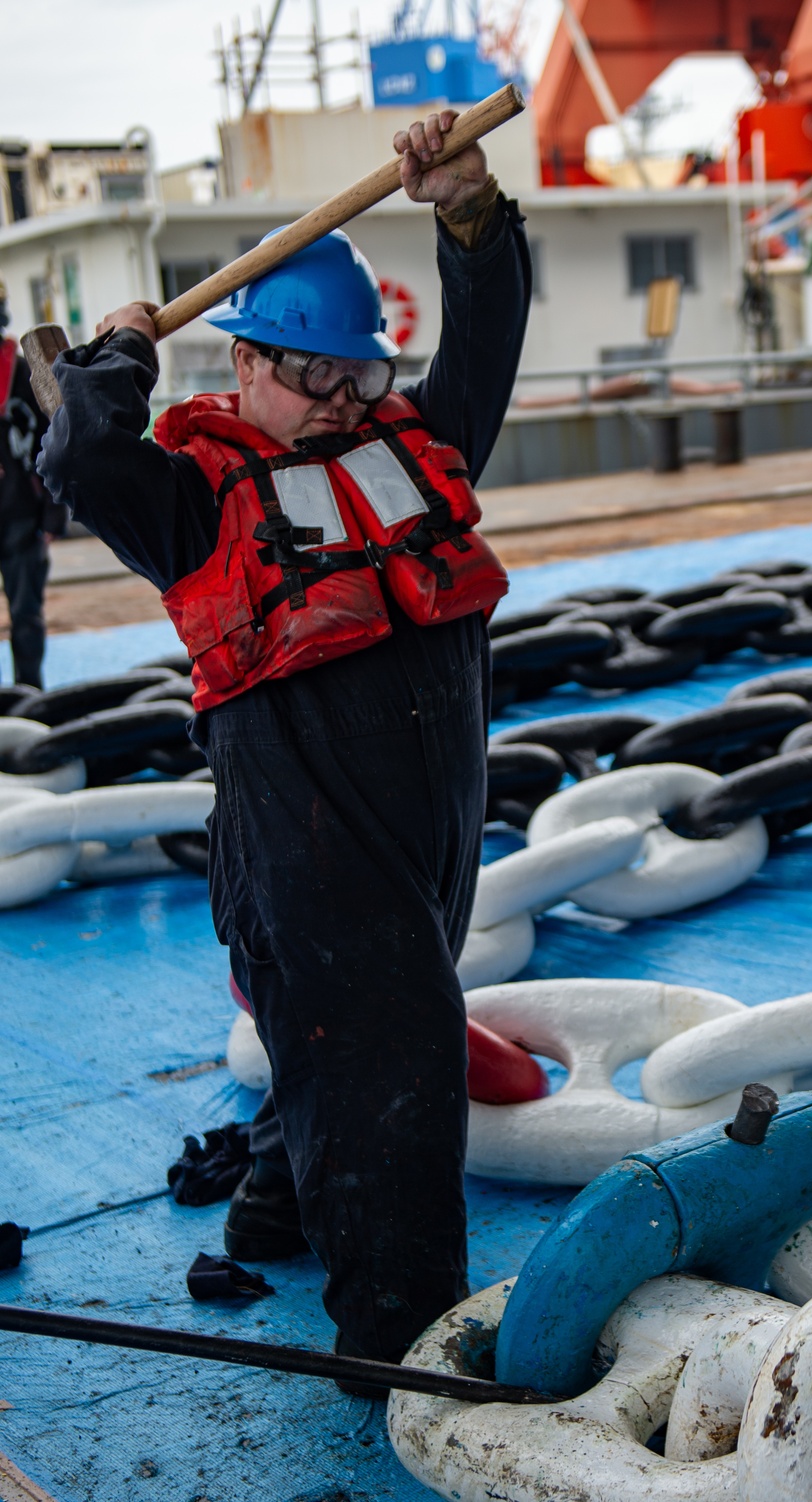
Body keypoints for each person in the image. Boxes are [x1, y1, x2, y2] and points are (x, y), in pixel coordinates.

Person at [39, 110, 531, 1394]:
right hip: (303, 853)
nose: (337, 408)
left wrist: (470, 215)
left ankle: (275, 1205)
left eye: (356, 379)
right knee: (387, 1069)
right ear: (246, 364)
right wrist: (118, 352)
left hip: (424, 835)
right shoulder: (191, 501)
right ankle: (404, 1352)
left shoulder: (413, 448)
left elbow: (486, 333)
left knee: (343, 1052)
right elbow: (82, 454)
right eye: (311, 379)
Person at [0, 279, 68, 687]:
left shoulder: (28, 369)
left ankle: (28, 695)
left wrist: (53, 514)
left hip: (23, 515)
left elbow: (58, 434)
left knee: (26, 614)